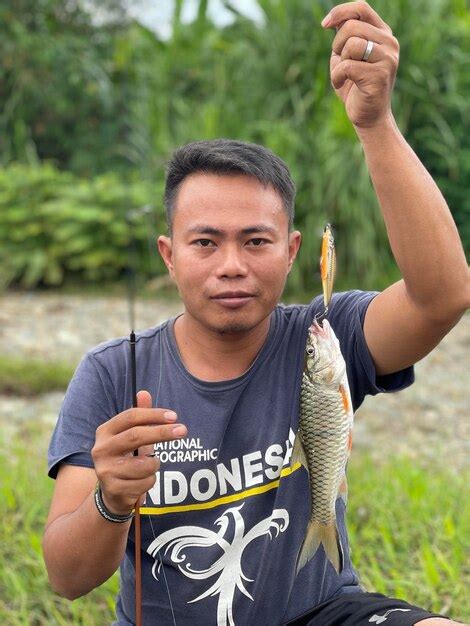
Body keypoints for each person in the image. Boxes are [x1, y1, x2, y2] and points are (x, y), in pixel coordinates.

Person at [42, 2, 469, 625]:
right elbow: (66, 578)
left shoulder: (324, 335)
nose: (232, 265)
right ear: (169, 255)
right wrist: (110, 500)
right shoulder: (113, 374)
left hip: (323, 611)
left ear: (292, 251)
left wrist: (375, 124)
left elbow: (442, 297)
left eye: (257, 241)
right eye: (205, 242)